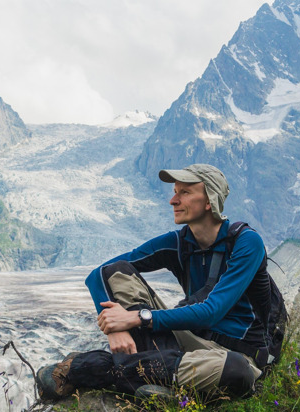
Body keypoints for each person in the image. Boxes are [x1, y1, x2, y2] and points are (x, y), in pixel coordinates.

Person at [37, 164, 273, 401]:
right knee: (119, 272)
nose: (173, 200)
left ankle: (90, 368)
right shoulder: (178, 243)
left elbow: (213, 311)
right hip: (185, 343)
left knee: (236, 372)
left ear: (210, 200)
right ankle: (166, 383)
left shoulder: (246, 242)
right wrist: (113, 326)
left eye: (185, 193)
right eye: (175, 191)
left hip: (236, 355)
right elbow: (101, 272)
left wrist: (138, 317)